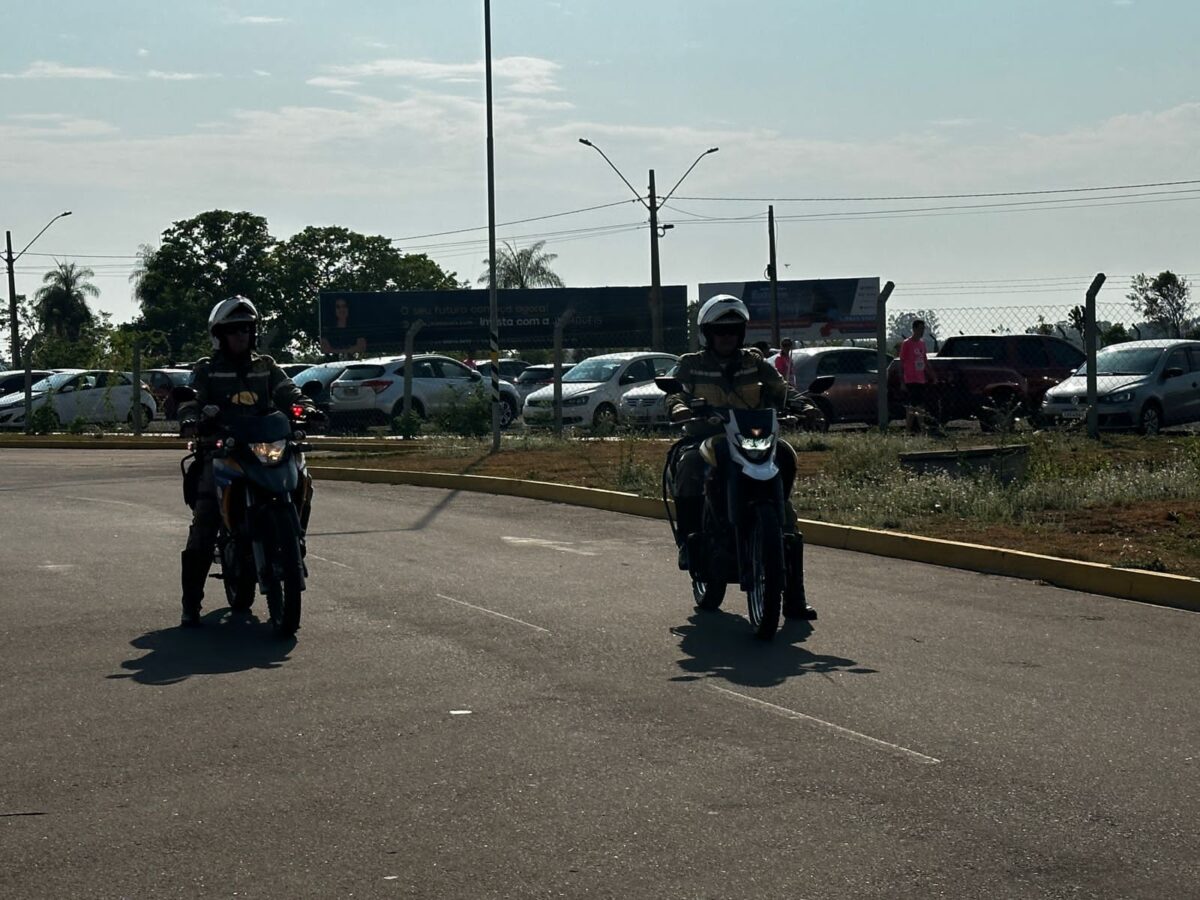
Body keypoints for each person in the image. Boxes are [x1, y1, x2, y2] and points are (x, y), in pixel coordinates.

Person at [177, 296, 323, 628]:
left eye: (247, 329)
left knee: (304, 480)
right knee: (204, 524)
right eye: (234, 330)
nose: (242, 335)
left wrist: (307, 409)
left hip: (265, 448)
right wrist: (191, 419)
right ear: (219, 335)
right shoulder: (207, 369)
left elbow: (289, 391)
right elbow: (191, 399)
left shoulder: (266, 366)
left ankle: (292, 538)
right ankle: (191, 603)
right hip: (224, 452)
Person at [665, 294, 819, 589]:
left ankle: (795, 591)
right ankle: (689, 539)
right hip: (705, 439)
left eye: (733, 331)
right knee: (688, 466)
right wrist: (679, 407)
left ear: (742, 334)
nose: (726, 337)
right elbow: (676, 391)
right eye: (720, 331)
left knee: (785, 455)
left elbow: (780, 389)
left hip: (751, 436)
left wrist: (805, 407)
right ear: (707, 334)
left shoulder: (755, 363)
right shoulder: (691, 364)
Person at [899, 318, 937, 433]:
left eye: (923, 329)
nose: (922, 331)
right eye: (920, 329)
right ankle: (912, 428)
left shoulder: (922, 343)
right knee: (914, 405)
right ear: (914, 329)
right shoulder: (907, 344)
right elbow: (901, 362)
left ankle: (918, 428)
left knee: (919, 404)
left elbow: (924, 360)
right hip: (910, 379)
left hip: (921, 379)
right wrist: (902, 381)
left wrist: (932, 375)